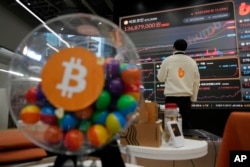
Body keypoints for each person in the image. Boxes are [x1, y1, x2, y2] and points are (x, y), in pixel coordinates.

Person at [157, 39, 200, 129]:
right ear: (185, 49)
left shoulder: (167, 61)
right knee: (186, 125)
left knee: (170, 124)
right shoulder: (192, 62)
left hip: (171, 99)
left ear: (174, 48)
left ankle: (172, 142)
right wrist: (193, 99)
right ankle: (187, 142)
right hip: (186, 99)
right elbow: (196, 82)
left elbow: (160, 78)